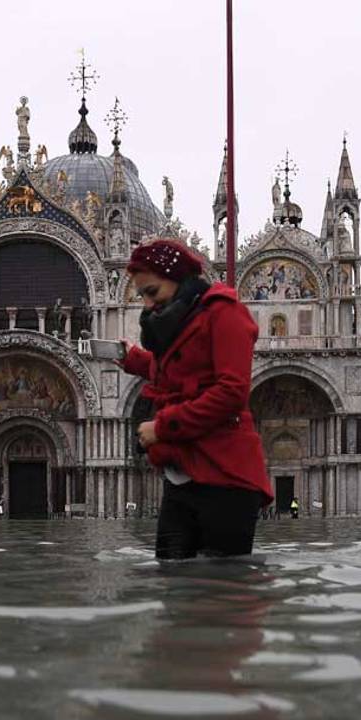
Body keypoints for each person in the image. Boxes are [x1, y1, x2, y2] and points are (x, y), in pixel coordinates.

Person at [118, 239, 272, 559]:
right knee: (172, 579)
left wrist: (161, 428)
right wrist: (133, 359)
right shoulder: (179, 321)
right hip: (182, 471)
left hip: (226, 475)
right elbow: (182, 370)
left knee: (223, 586)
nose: (147, 305)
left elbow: (231, 392)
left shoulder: (224, 313)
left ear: (178, 279)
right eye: (141, 295)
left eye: (153, 292)